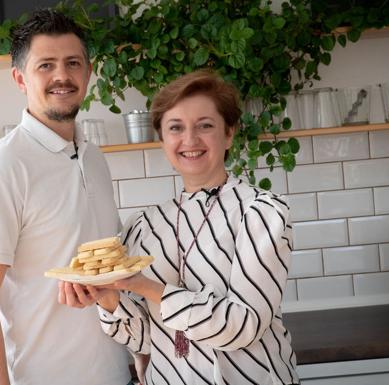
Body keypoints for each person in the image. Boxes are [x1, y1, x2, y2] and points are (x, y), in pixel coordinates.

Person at [60, 70, 300, 384]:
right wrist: (107, 297)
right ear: (162, 139)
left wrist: (145, 286)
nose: (190, 140)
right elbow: (148, 339)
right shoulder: (146, 226)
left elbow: (243, 325)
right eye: (176, 128)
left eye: (205, 126)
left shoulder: (261, 212)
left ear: (228, 134)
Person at [0, 9, 130, 385]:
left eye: (73, 63)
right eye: (46, 65)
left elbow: (111, 273)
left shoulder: (94, 157)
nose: (62, 76)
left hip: (115, 374)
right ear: (20, 78)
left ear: (88, 73)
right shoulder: (3, 167)